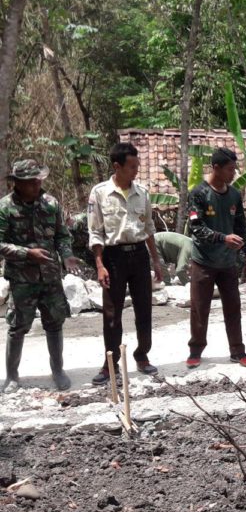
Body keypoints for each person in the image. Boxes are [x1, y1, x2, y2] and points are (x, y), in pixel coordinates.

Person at [0, 160, 79, 393]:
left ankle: (58, 370)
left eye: (38, 180)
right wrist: (27, 253)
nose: (37, 185)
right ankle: (12, 376)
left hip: (50, 276)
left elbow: (62, 236)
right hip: (22, 279)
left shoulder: (50, 203)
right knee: (18, 326)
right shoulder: (5, 208)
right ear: (18, 183)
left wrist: (67, 255)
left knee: (54, 323)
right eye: (31, 182)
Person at [88, 143, 164, 384]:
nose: (136, 170)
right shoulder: (100, 193)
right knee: (112, 314)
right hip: (113, 257)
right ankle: (110, 365)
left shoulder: (142, 193)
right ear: (117, 166)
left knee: (144, 309)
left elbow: (149, 229)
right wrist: (100, 265)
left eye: (137, 166)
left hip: (139, 255)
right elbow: (95, 232)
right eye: (132, 166)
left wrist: (156, 260)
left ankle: (142, 355)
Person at [185, 148, 246, 369]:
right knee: (199, 308)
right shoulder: (198, 194)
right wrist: (223, 238)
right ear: (216, 168)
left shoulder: (234, 195)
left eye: (234, 169)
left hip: (228, 263)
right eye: (230, 169)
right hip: (203, 262)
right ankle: (195, 350)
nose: (233, 174)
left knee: (233, 307)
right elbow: (196, 228)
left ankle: (238, 351)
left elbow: (240, 227)